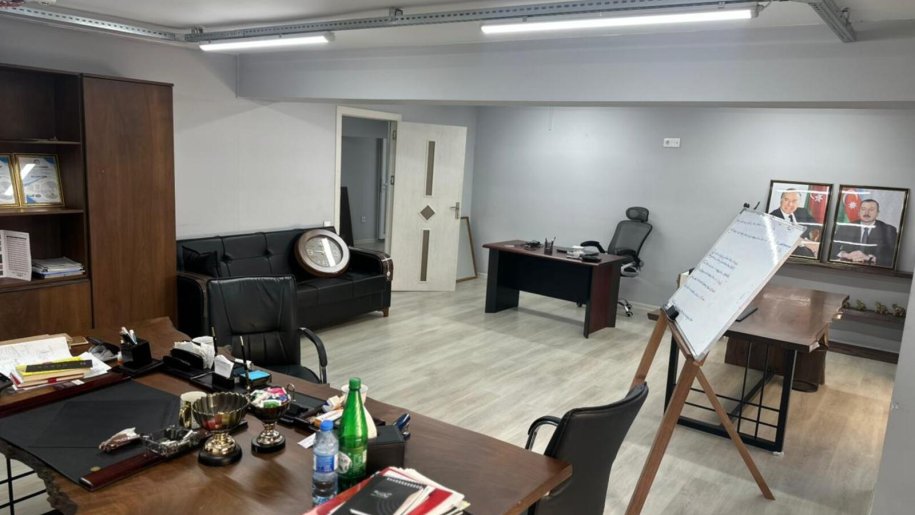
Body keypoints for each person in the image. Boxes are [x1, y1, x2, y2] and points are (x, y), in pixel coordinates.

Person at [832, 199, 898, 267]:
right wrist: (846, 255)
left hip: (874, 270)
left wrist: (869, 258)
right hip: (847, 268)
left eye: (871, 210)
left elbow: (894, 257)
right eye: (863, 209)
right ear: (859, 212)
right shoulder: (845, 227)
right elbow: (831, 248)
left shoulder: (888, 230)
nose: (866, 213)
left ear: (877, 213)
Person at [769, 189, 817, 257]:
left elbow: (814, 224)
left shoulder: (803, 211)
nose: (790, 204)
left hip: (809, 251)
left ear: (799, 202)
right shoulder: (772, 217)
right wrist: (803, 242)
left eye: (794, 201)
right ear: (781, 200)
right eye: (786, 200)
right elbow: (782, 240)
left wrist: (803, 238)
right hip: (789, 254)